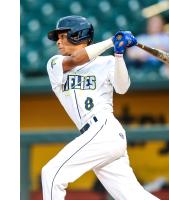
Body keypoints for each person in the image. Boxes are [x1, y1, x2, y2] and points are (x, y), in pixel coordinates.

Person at [41, 15, 159, 200]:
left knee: (51, 174)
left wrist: (118, 55)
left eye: (63, 36)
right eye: (58, 37)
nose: (58, 41)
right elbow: (76, 60)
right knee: (133, 196)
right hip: (96, 136)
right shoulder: (55, 63)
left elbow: (122, 88)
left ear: (78, 35)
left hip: (104, 130)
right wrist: (112, 41)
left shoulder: (107, 62)